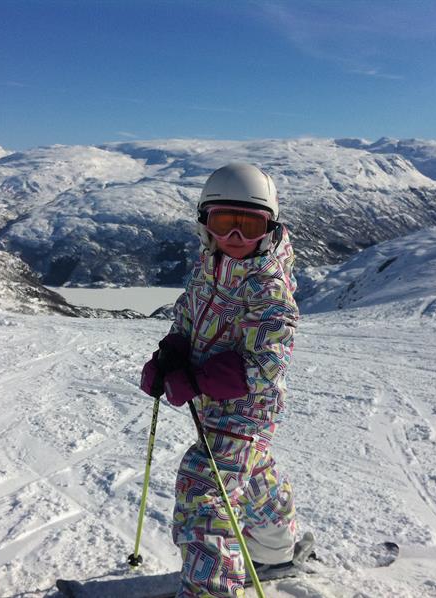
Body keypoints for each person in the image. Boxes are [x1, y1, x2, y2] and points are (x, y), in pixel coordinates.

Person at [140, 163, 299, 597]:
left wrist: (197, 377)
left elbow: (267, 365)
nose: (234, 238)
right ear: (204, 225)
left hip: (247, 411)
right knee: (254, 473)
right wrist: (172, 351)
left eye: (248, 226)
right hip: (217, 405)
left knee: (204, 488)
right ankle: (274, 550)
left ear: (269, 229)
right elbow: (188, 315)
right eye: (223, 222)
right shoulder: (208, 268)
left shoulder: (269, 287)